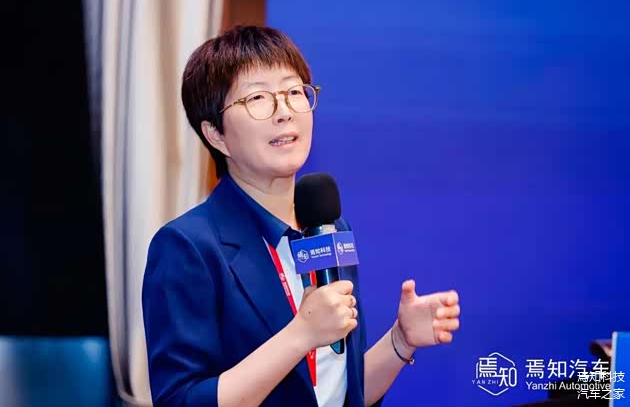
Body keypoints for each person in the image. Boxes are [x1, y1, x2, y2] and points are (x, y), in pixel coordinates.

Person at [142, 25, 461, 407]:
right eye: (258, 98)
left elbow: (336, 392)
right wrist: (301, 335)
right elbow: (181, 400)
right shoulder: (187, 247)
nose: (284, 112)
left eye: (294, 92)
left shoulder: (327, 227)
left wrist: (400, 341)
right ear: (216, 134)